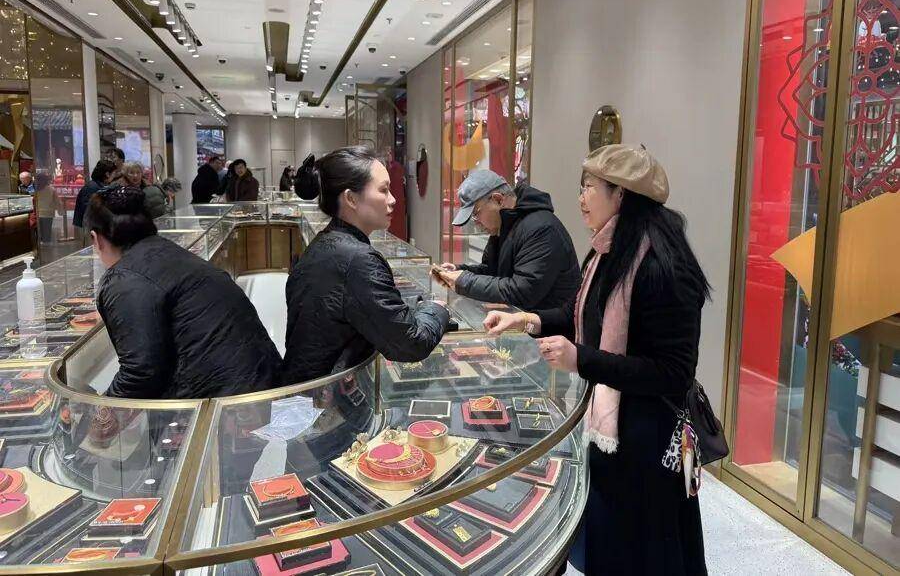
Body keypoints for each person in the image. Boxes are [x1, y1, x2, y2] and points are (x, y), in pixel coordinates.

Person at [484, 144, 709, 575]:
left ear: (621, 194)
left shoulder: (664, 265)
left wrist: (581, 360)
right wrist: (528, 320)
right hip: (608, 427)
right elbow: (580, 315)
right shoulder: (607, 251)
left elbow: (673, 373)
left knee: (642, 553)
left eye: (589, 187)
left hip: (646, 440)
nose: (581, 198)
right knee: (609, 546)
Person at [85, 185, 282, 399]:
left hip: (226, 402)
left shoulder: (124, 278)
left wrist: (100, 411)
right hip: (262, 381)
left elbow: (141, 374)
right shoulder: (168, 251)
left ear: (97, 239)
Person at [283, 146, 450, 384]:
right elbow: (411, 344)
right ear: (351, 198)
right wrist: (436, 309)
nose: (393, 200)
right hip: (330, 396)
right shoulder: (359, 260)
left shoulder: (325, 243)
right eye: (383, 190)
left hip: (310, 386)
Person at [433, 169, 581, 313]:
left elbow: (523, 291)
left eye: (476, 214)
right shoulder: (503, 227)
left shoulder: (541, 229)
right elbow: (492, 272)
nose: (476, 222)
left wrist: (465, 281)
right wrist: (459, 272)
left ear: (498, 200)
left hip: (549, 327)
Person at [73, 160, 117, 245]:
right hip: (89, 227)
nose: (114, 176)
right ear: (107, 174)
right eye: (114, 173)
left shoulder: (100, 186)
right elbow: (87, 209)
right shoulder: (92, 187)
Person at [34, 172, 63, 242]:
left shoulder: (34, 189)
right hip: (48, 213)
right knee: (47, 232)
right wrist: (60, 211)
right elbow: (57, 202)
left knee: (38, 232)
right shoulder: (51, 189)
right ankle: (46, 245)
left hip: (37, 213)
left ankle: (39, 244)